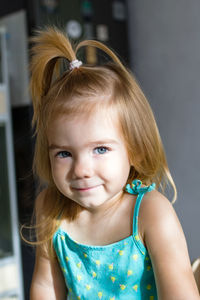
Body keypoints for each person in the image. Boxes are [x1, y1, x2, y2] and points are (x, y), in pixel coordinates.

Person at [28, 27, 200, 300]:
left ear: (136, 151)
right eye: (64, 154)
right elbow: (45, 287)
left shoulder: (151, 212)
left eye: (100, 149)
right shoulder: (50, 209)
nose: (81, 170)